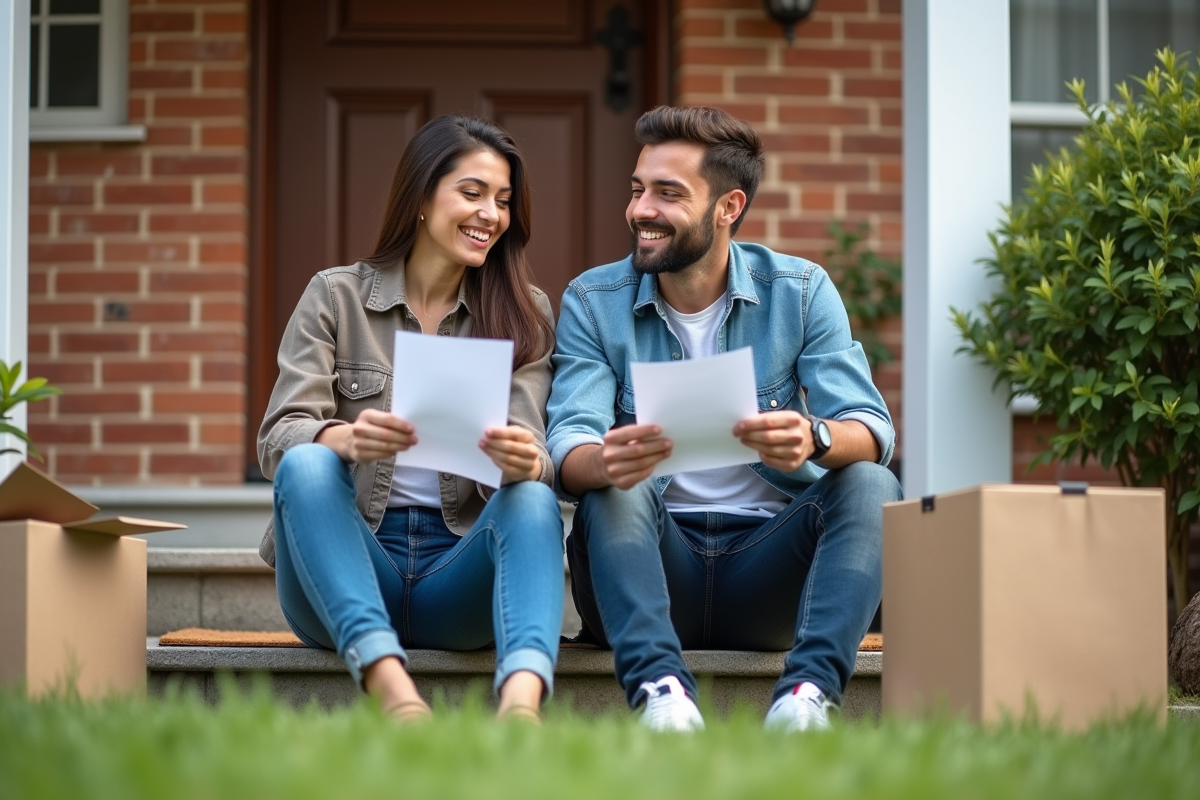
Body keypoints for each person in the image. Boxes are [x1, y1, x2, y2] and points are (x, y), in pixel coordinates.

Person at [546, 106, 901, 733]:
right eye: (637, 189)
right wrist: (606, 459)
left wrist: (813, 438)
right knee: (613, 484)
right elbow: (570, 444)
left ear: (728, 207)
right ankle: (662, 696)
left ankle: (806, 700)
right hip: (650, 563)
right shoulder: (593, 301)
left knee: (873, 483)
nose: (640, 210)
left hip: (768, 573)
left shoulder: (799, 290)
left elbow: (870, 429)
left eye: (667, 193)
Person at [258, 115, 564, 723]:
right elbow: (279, 436)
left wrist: (523, 461)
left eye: (503, 201)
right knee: (307, 463)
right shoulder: (336, 296)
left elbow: (535, 446)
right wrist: (346, 438)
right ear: (422, 197)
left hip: (459, 576)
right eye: (472, 193)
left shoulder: (526, 312)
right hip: (348, 564)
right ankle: (395, 695)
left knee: (533, 497)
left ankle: (522, 712)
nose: (490, 215)